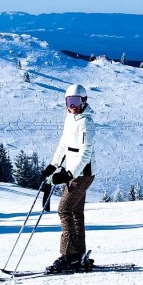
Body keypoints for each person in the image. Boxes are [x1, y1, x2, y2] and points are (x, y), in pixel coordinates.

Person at [41, 83, 96, 273]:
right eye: (68, 101)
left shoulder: (86, 122)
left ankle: (68, 255)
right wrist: (52, 166)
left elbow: (85, 153)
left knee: (64, 209)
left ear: (84, 101)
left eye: (76, 101)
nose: (72, 105)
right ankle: (78, 254)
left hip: (83, 174)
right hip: (73, 173)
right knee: (75, 213)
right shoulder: (70, 118)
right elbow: (63, 145)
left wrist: (69, 174)